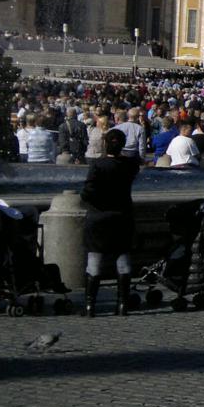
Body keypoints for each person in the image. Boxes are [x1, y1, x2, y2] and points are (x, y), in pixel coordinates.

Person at [80, 128, 140, 316]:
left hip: (99, 217)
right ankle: (122, 304)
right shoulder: (131, 165)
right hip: (122, 215)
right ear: (123, 144)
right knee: (123, 259)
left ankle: (90, 306)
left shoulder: (98, 165)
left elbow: (88, 191)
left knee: (95, 260)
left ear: (106, 144)